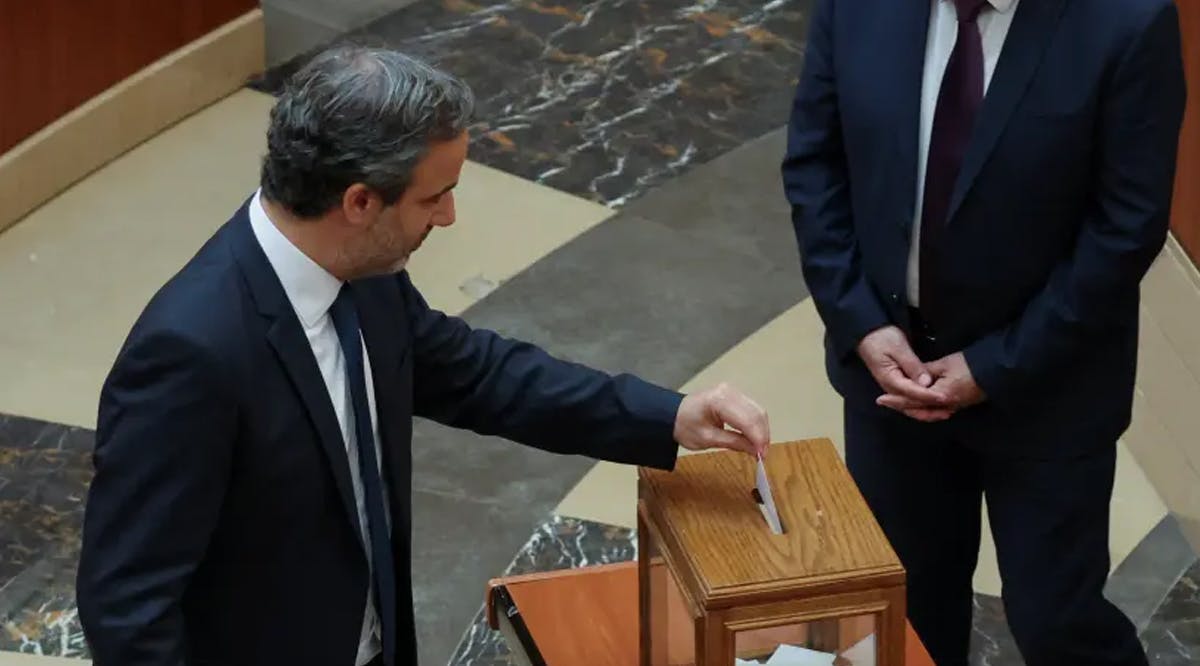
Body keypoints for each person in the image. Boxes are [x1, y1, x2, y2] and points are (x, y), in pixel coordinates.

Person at [76, 46, 771, 666]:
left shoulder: (364, 277)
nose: (447, 218)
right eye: (434, 197)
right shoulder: (189, 354)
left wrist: (673, 416)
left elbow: (479, 374)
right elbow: (129, 610)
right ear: (358, 201)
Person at [781, 1, 1185, 665]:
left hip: (1046, 386)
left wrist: (994, 367)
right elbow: (814, 165)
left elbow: (1124, 228)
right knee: (904, 620)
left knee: (1058, 622)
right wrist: (861, 323)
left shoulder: (1128, 20)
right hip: (893, 384)